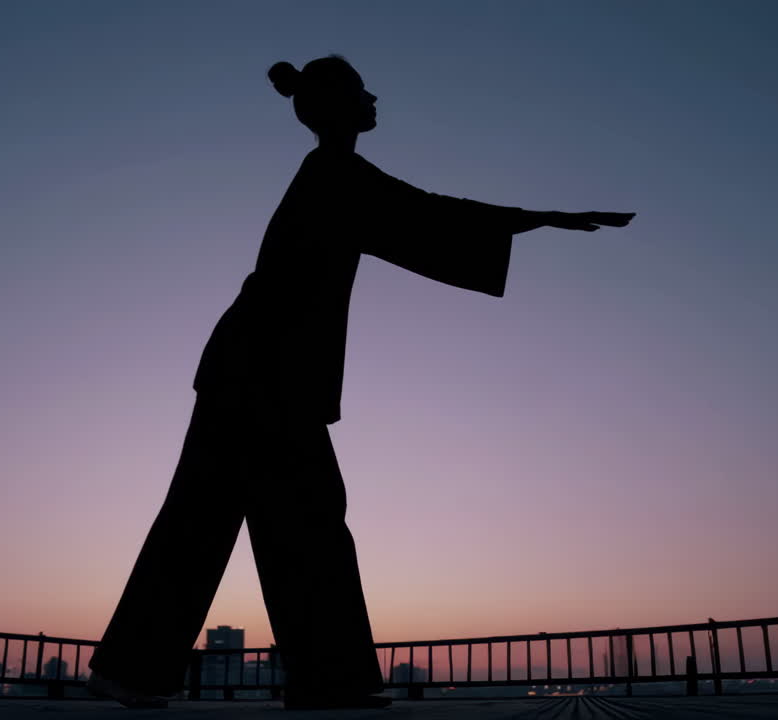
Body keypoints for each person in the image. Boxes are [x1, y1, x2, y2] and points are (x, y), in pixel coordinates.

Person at [87, 55, 635, 710]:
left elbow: (424, 214)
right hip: (266, 375)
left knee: (229, 520)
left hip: (250, 370)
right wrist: (541, 217)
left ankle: (148, 671)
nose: (375, 99)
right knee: (294, 522)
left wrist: (537, 217)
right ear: (337, 107)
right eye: (361, 92)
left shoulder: (332, 174)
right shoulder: (334, 174)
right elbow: (430, 213)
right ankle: (318, 679)